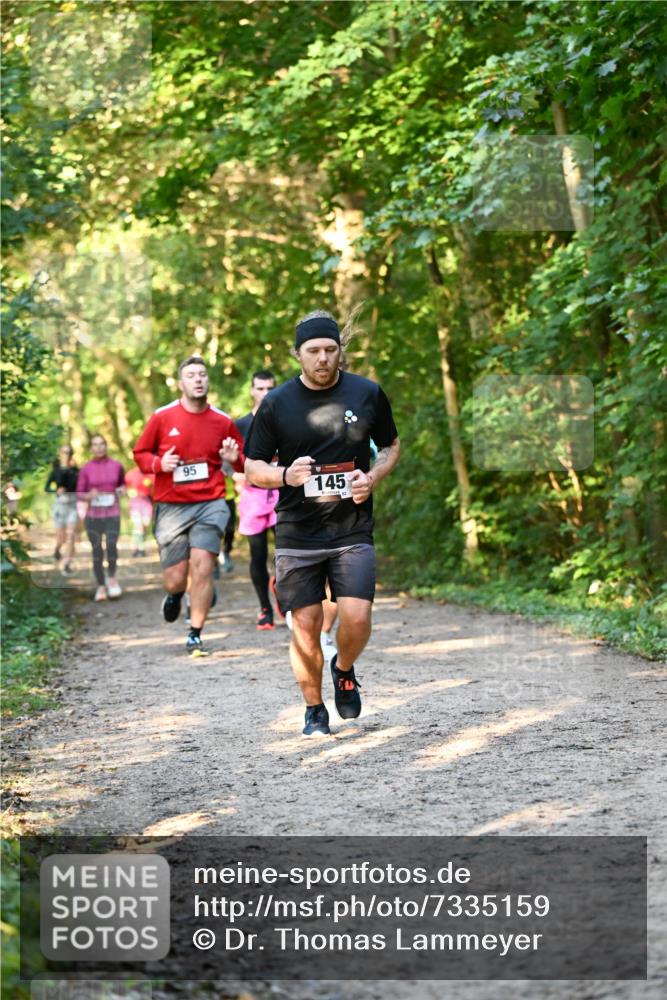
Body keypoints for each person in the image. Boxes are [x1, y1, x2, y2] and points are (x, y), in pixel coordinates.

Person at [244, 310, 400, 736]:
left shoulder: (367, 393)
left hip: (351, 528)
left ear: (340, 351)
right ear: (298, 354)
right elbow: (252, 466)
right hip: (297, 531)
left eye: (330, 350)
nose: (323, 358)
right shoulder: (277, 404)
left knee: (358, 617)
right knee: (306, 625)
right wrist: (284, 475)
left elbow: (390, 446)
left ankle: (344, 668)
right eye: (313, 351)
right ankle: (314, 708)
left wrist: (372, 476)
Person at [133, 355, 245, 657]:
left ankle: (195, 632)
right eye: (191, 375)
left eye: (202, 374)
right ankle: (176, 594)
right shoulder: (162, 417)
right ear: (181, 383)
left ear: (208, 381)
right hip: (171, 506)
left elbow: (244, 462)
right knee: (175, 577)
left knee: (203, 566)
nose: (198, 379)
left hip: (211, 502)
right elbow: (140, 453)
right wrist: (159, 463)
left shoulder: (222, 421)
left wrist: (234, 458)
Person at [234, 370, 279, 630]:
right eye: (260, 389)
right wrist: (236, 474)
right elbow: (232, 464)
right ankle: (264, 608)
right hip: (253, 496)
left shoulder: (285, 420)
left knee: (285, 551)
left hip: (281, 493)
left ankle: (280, 588)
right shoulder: (240, 425)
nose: (265, 394)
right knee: (257, 554)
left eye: (270, 388)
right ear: (252, 390)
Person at [76, 435, 125, 601]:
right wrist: (89, 495)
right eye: (95, 445)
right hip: (93, 517)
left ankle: (112, 579)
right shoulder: (86, 469)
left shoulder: (117, 466)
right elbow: (79, 494)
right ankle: (101, 586)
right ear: (91, 448)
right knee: (97, 551)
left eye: (102, 444)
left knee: (112, 546)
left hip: (112, 514)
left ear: (106, 446)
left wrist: (121, 490)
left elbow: (122, 485)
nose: (99, 447)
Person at [45, 444, 79, 573]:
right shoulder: (56, 471)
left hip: (72, 505)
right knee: (61, 537)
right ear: (60, 454)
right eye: (64, 452)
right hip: (60, 505)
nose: (67, 454)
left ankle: (66, 563)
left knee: (71, 536)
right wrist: (56, 490)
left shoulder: (76, 471)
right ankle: (58, 548)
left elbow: (82, 487)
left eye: (69, 452)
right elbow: (46, 488)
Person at [124, 466, 154, 557]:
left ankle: (139, 546)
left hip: (146, 502)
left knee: (145, 524)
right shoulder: (131, 474)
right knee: (138, 525)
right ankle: (138, 548)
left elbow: (154, 488)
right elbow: (125, 488)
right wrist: (131, 493)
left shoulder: (150, 473)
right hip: (135, 502)